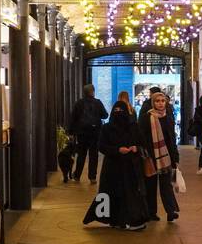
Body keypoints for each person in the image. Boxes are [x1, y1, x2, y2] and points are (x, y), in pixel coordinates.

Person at [84, 101, 148, 230]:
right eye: (116, 110)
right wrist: (117, 150)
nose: (119, 113)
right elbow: (101, 146)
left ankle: (132, 220)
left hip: (130, 167)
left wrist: (136, 148)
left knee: (129, 193)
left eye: (121, 110)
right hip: (112, 167)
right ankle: (116, 219)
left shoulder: (133, 127)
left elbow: (143, 143)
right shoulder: (107, 128)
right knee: (112, 193)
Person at [140, 90, 181, 221]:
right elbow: (141, 136)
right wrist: (145, 154)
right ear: (153, 103)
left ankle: (170, 211)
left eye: (163, 101)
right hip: (151, 156)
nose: (160, 103)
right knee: (150, 185)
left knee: (166, 184)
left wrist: (175, 157)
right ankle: (151, 212)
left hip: (166, 157)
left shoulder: (168, 116)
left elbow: (171, 138)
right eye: (157, 101)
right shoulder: (147, 117)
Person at [67, 83, 108, 182]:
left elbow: (73, 118)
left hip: (82, 133)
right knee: (93, 155)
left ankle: (77, 176)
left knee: (81, 154)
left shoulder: (79, 103)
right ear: (92, 92)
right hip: (95, 133)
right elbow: (105, 115)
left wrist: (71, 132)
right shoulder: (98, 103)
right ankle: (92, 177)